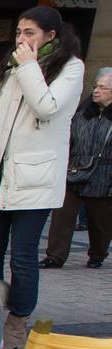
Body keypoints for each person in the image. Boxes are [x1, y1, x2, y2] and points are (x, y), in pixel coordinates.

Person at [0, 5, 84, 349]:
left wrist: (29, 66)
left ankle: (18, 319)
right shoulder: (10, 68)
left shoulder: (70, 68)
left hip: (35, 180)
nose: (21, 39)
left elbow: (46, 107)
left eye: (30, 33)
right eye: (18, 33)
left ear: (50, 36)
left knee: (23, 256)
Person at [43, 66, 112, 270]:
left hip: (104, 176)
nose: (96, 91)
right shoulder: (83, 110)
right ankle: (55, 256)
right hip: (74, 170)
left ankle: (97, 254)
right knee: (62, 214)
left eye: (103, 88)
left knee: (100, 222)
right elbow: (68, 137)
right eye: (96, 86)